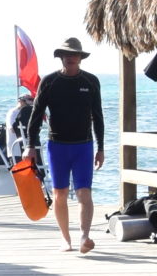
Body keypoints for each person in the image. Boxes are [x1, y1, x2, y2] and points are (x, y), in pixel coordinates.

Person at [27, 36, 107, 252]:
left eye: (74, 54)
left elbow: (98, 116)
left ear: (80, 58)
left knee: (84, 193)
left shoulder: (90, 82)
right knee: (59, 193)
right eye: (66, 54)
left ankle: (84, 237)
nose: (70, 58)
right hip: (57, 145)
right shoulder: (50, 81)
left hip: (83, 146)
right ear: (60, 57)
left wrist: (100, 148)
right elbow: (36, 114)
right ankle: (65, 238)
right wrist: (30, 145)